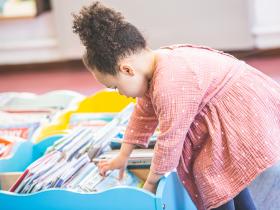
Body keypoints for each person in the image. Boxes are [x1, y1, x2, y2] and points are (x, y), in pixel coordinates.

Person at [73, 2, 280, 210]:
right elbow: (143, 113)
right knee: (222, 174)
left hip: (241, 111)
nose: (120, 93)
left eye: (115, 87)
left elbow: (170, 141)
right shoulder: (155, 64)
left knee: (210, 173)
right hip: (232, 105)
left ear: (126, 70)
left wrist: (151, 182)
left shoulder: (169, 84)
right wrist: (123, 155)